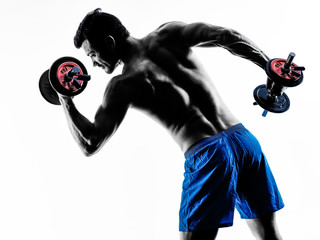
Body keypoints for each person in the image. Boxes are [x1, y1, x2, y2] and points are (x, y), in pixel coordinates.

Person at [59, 8, 284, 240]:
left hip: (209, 155)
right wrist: (272, 69)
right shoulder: (169, 33)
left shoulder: (122, 85)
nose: (94, 64)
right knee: (270, 237)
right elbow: (226, 36)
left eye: (93, 54)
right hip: (245, 142)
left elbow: (90, 143)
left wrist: (64, 97)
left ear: (109, 41)